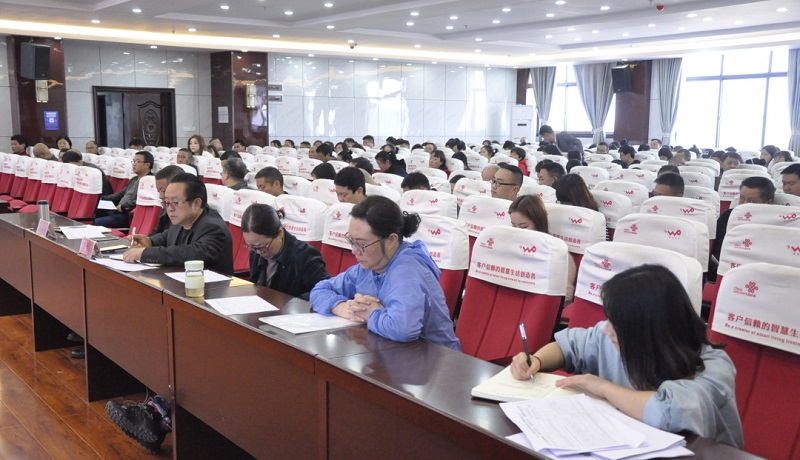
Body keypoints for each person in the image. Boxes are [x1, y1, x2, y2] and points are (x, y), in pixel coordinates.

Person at [509, 264, 743, 448]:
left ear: (647, 331)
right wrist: (536, 360)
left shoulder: (713, 367)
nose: (606, 329)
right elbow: (569, 345)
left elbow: (668, 412)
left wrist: (604, 388)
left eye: (616, 324)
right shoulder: (617, 340)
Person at [310, 196, 460, 350]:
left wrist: (370, 313)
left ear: (391, 240)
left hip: (434, 357)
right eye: (351, 241)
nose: (354, 250)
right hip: (389, 350)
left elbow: (403, 329)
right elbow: (320, 289)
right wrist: (343, 307)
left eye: (361, 244)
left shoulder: (408, 271)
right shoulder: (369, 266)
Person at [123, 173, 233, 275]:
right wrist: (150, 241)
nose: (169, 209)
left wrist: (146, 253)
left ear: (196, 203)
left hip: (209, 286)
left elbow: (190, 254)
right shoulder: (183, 218)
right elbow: (168, 236)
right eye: (167, 203)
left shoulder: (213, 228)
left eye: (175, 202)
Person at [242, 204, 329, 299]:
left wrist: (292, 301)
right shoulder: (255, 250)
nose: (258, 252)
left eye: (262, 247)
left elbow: (325, 291)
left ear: (279, 233)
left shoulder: (306, 256)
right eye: (252, 247)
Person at [709, 176, 775, 279]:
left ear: (769, 203)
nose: (744, 205)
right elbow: (713, 248)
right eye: (742, 198)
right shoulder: (729, 216)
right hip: (722, 271)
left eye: (752, 201)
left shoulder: (774, 224)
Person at [95, 151, 154, 228]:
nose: (134, 164)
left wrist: (123, 206)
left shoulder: (150, 182)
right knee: (91, 213)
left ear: (147, 165)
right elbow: (121, 194)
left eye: (138, 161)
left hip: (126, 215)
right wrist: (102, 197)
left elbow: (142, 201)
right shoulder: (134, 179)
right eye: (133, 161)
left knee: (94, 223)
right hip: (117, 210)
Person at [151, 165, 184, 235]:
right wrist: (147, 240)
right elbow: (159, 234)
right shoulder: (165, 209)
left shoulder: (187, 214)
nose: (160, 196)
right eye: (158, 191)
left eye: (164, 191)